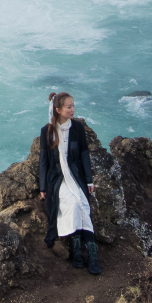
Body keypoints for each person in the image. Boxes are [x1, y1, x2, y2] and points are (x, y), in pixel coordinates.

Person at [36, 90, 102, 275]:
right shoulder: (47, 132)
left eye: (73, 106)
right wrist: (43, 186)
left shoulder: (78, 128)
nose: (73, 110)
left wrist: (89, 180)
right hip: (58, 179)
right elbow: (43, 161)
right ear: (58, 109)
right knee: (74, 204)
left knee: (82, 205)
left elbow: (84, 155)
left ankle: (90, 254)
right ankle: (77, 250)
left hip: (76, 177)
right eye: (69, 106)